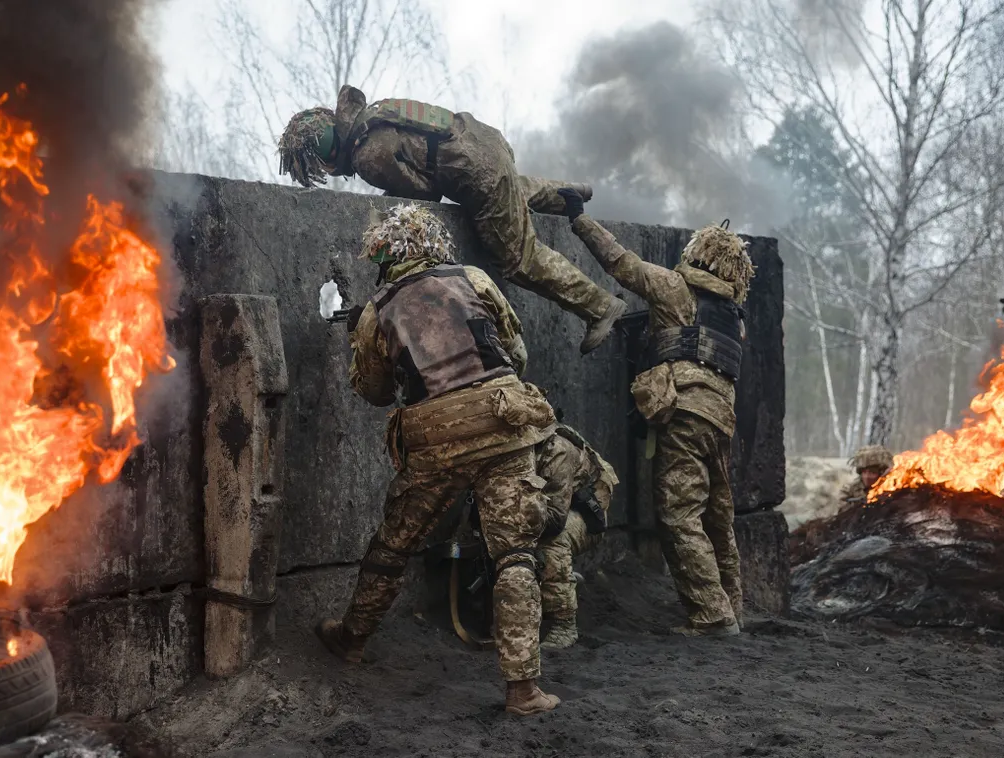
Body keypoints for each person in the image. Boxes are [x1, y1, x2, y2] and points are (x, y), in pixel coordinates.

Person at [315, 202, 560, 715]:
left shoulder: (378, 309)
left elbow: (375, 392)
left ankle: (353, 639)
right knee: (514, 553)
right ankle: (523, 690)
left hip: (435, 438)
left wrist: (365, 341)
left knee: (393, 544)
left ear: (384, 259)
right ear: (435, 245)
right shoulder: (471, 277)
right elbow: (515, 351)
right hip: (504, 420)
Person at [277, 85, 628, 354]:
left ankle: (600, 307)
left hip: (477, 174)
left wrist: (386, 219)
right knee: (507, 189)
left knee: (517, 258)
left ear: (324, 156)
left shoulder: (367, 154)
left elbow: (424, 193)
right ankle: (569, 193)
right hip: (485, 141)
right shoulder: (374, 114)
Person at [556, 188, 754, 637]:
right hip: (721, 422)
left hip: (684, 415)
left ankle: (712, 616)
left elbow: (619, 262)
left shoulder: (674, 289)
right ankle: (734, 608)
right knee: (719, 520)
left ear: (697, 254)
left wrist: (579, 219)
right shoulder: (731, 317)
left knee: (680, 514)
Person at [534, 421, 618, 649]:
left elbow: (555, 519)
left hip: (582, 517)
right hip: (546, 508)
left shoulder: (557, 450)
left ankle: (564, 624)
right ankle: (560, 581)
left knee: (551, 542)